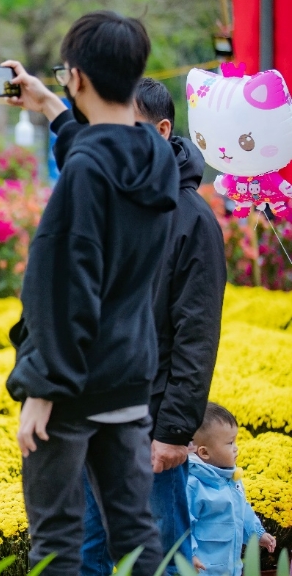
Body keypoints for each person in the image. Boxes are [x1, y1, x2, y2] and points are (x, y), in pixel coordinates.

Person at [2, 10, 179, 576]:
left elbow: (62, 287)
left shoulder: (84, 174)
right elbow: (102, 153)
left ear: (75, 76)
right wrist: (51, 108)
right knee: (134, 533)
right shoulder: (158, 159)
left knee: (55, 542)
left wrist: (44, 390)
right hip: (128, 375)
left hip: (71, 386)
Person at [73, 78, 228, 576]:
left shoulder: (191, 219)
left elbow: (196, 335)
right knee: (85, 555)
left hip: (150, 428)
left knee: (159, 559)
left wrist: (175, 431)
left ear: (162, 131)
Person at [187, 403, 277, 576]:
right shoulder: (193, 485)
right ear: (204, 453)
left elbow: (242, 511)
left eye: (235, 440)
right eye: (230, 443)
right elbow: (181, 526)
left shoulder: (230, 478)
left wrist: (257, 533)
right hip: (202, 570)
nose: (236, 447)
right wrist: (188, 554)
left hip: (231, 568)